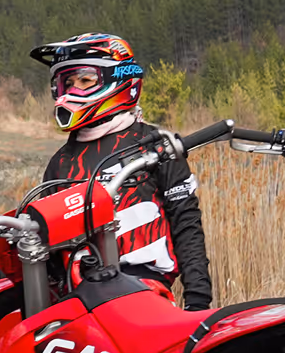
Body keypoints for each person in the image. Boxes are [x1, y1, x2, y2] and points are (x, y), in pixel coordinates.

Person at [32, 33, 213, 309]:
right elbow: (40, 238)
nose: (71, 89)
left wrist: (198, 301)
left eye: (84, 80)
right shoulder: (61, 161)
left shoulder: (155, 146)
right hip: (80, 298)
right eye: (66, 82)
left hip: (144, 292)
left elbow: (186, 223)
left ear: (117, 80)